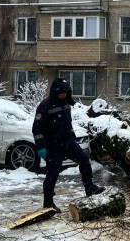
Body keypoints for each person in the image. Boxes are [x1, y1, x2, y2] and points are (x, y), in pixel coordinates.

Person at [32, 78, 104, 212]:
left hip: (67, 143)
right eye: (61, 93)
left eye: (66, 93)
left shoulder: (66, 103)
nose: (63, 95)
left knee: (84, 160)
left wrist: (72, 137)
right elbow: (37, 128)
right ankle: (48, 203)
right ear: (55, 92)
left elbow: (68, 124)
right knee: (53, 173)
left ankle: (89, 188)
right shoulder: (45, 106)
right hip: (53, 146)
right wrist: (41, 146)